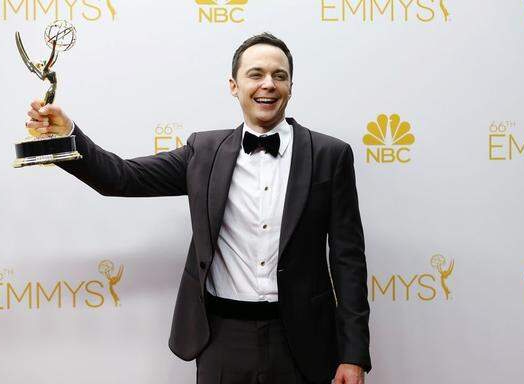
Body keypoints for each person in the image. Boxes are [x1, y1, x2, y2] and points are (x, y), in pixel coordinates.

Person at [25, 32, 371, 384]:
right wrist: (67, 134)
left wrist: (354, 354)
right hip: (221, 339)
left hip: (304, 339)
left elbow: (348, 261)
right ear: (234, 85)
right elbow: (121, 178)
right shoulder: (203, 152)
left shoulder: (331, 155)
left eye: (279, 76)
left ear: (291, 86)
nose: (268, 84)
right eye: (256, 74)